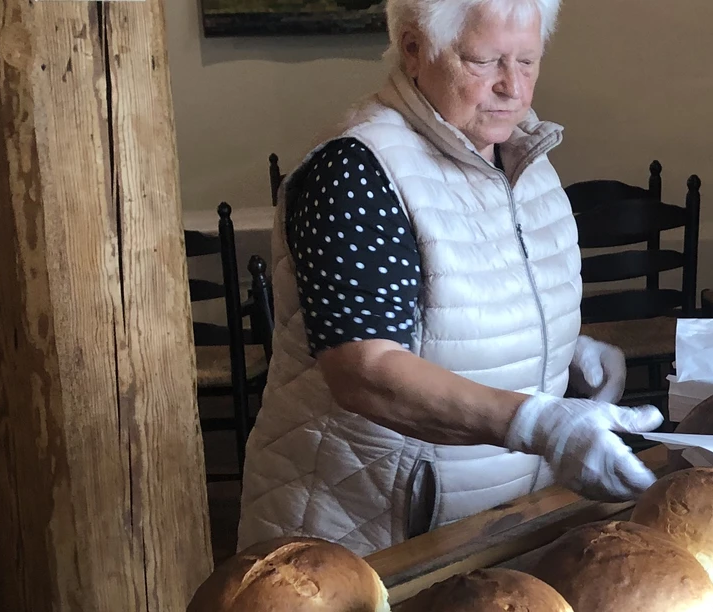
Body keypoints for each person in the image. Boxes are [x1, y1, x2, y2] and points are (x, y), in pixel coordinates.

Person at [237, 0, 662, 555]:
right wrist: (541, 423)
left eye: (528, 62)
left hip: (489, 520)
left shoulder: (519, 152)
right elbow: (363, 368)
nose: (513, 87)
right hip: (368, 534)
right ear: (415, 50)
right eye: (485, 61)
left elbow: (455, 306)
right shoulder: (355, 169)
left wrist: (559, 347)